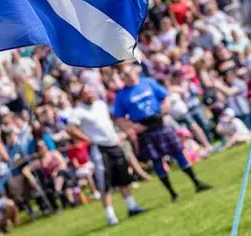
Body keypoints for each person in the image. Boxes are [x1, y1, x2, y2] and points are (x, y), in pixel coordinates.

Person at [113, 63, 212, 203]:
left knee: (179, 152)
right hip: (145, 129)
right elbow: (119, 118)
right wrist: (134, 127)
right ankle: (173, 194)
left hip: (160, 123)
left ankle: (197, 183)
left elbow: (165, 97)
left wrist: (165, 109)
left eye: (129, 72)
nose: (128, 76)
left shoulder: (148, 83)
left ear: (134, 72)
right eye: (124, 75)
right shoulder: (122, 95)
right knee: (157, 161)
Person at [67, 85, 147, 226]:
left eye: (91, 91)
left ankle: (132, 206)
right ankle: (111, 216)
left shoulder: (100, 105)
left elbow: (110, 120)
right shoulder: (78, 111)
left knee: (123, 177)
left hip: (113, 144)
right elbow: (70, 128)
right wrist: (87, 139)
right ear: (80, 97)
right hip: (99, 148)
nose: (90, 94)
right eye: (86, 93)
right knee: (105, 182)